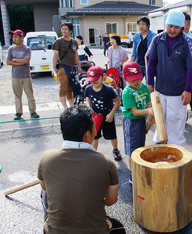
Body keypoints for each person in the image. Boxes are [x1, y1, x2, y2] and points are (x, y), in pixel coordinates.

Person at [38, 106, 124, 234]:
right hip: (96, 231)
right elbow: (111, 201)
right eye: (94, 126)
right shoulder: (106, 162)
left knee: (44, 192)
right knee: (119, 228)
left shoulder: (46, 158)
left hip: (54, 231)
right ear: (87, 135)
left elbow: (44, 186)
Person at [146, 10, 192, 146]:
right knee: (160, 120)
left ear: (182, 27)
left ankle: (176, 151)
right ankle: (160, 147)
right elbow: (152, 62)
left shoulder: (187, 42)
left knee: (176, 123)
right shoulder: (158, 39)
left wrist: (188, 90)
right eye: (170, 26)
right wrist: (149, 83)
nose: (172, 30)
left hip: (178, 93)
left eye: (176, 27)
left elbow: (191, 68)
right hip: (160, 91)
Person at [122, 62, 154, 184]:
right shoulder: (127, 92)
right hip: (131, 122)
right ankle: (133, 174)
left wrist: (150, 115)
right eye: (132, 80)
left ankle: (139, 168)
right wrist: (148, 111)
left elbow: (149, 103)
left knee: (140, 146)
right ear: (125, 79)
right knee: (133, 149)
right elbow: (134, 112)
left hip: (141, 120)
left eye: (138, 79)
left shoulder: (144, 87)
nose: (136, 82)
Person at [85, 66, 122, 161]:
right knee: (95, 136)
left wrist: (111, 114)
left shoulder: (109, 90)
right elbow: (88, 98)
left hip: (107, 117)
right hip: (96, 117)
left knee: (112, 135)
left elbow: (117, 102)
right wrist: (88, 106)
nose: (94, 81)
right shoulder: (88, 88)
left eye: (97, 79)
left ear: (103, 77)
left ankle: (115, 149)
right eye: (92, 80)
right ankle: (93, 153)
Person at [6, 29, 39, 120]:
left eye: (16, 37)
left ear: (21, 37)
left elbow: (26, 60)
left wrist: (14, 59)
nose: (14, 39)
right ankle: (18, 113)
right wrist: (19, 62)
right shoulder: (11, 49)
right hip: (15, 76)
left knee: (30, 95)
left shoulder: (26, 49)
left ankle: (32, 111)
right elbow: (8, 61)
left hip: (26, 75)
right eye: (13, 37)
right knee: (17, 96)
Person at [52, 21, 83, 109]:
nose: (63, 31)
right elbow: (55, 55)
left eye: (66, 29)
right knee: (63, 87)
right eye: (62, 29)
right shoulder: (58, 41)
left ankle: (71, 106)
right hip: (63, 67)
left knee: (70, 88)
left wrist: (79, 66)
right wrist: (53, 68)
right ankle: (65, 107)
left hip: (72, 67)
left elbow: (76, 54)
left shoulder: (74, 41)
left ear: (70, 31)